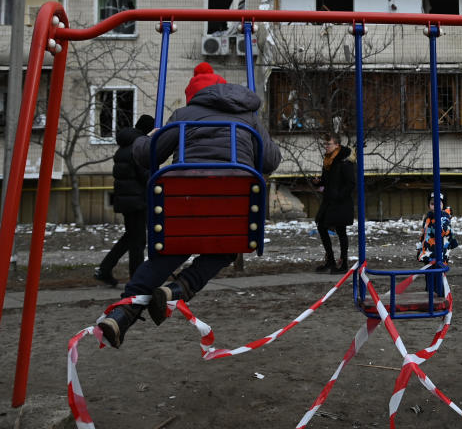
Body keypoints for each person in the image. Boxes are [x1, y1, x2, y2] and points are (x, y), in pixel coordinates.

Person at [96, 62, 281, 348]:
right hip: (234, 202)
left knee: (171, 250)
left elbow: (147, 156)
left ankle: (122, 313)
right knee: (228, 245)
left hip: (188, 201)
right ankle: (179, 289)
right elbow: (269, 161)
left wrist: (150, 137)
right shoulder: (250, 117)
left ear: (194, 96)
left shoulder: (185, 116)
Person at [94, 114, 155, 287]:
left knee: (130, 237)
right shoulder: (138, 147)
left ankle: (104, 270)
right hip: (137, 200)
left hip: (127, 200)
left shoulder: (125, 146)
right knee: (137, 241)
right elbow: (145, 176)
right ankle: (136, 280)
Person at [314, 132, 356, 274]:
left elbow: (351, 183)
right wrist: (319, 182)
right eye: (325, 144)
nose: (326, 146)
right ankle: (330, 260)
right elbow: (326, 181)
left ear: (337, 145)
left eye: (328, 144)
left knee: (341, 231)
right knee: (321, 226)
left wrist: (339, 195)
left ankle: (343, 263)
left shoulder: (344, 161)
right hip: (329, 201)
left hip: (340, 202)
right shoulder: (328, 160)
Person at [416, 192, 458, 295]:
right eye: (432, 203)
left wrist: (437, 219)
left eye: (438, 203)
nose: (435, 206)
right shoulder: (428, 217)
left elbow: (441, 232)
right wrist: (420, 248)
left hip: (439, 255)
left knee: (438, 281)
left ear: (443, 205)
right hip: (428, 254)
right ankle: (429, 300)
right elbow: (425, 234)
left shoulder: (444, 217)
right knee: (429, 280)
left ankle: (439, 300)